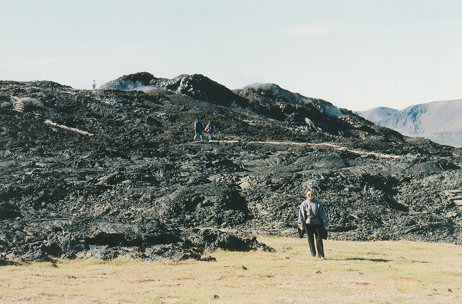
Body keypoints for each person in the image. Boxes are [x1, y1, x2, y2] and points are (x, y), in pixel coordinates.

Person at [298, 189, 329, 259]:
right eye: (309, 194)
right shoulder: (304, 204)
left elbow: (322, 214)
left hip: (317, 223)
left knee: (319, 239)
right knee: (310, 239)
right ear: (306, 195)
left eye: (312, 194)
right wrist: (301, 225)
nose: (310, 196)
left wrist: (325, 224)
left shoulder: (318, 203)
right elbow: (301, 215)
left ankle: (321, 255)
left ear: (314, 195)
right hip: (308, 224)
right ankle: (313, 253)